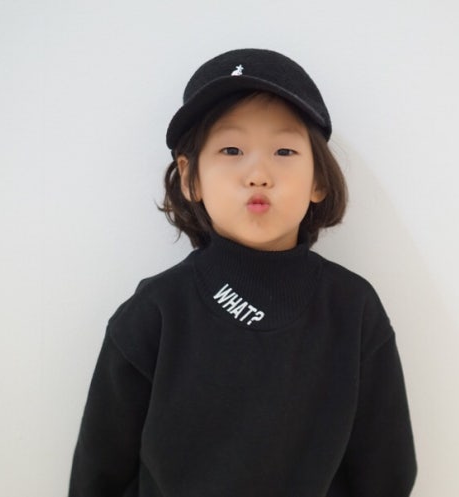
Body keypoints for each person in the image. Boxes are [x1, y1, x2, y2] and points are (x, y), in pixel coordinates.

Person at [69, 48, 417, 497]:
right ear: (190, 177)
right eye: (231, 149)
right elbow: (98, 477)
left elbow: (386, 474)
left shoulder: (352, 310)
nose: (258, 174)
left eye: (284, 150)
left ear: (318, 180)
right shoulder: (155, 314)